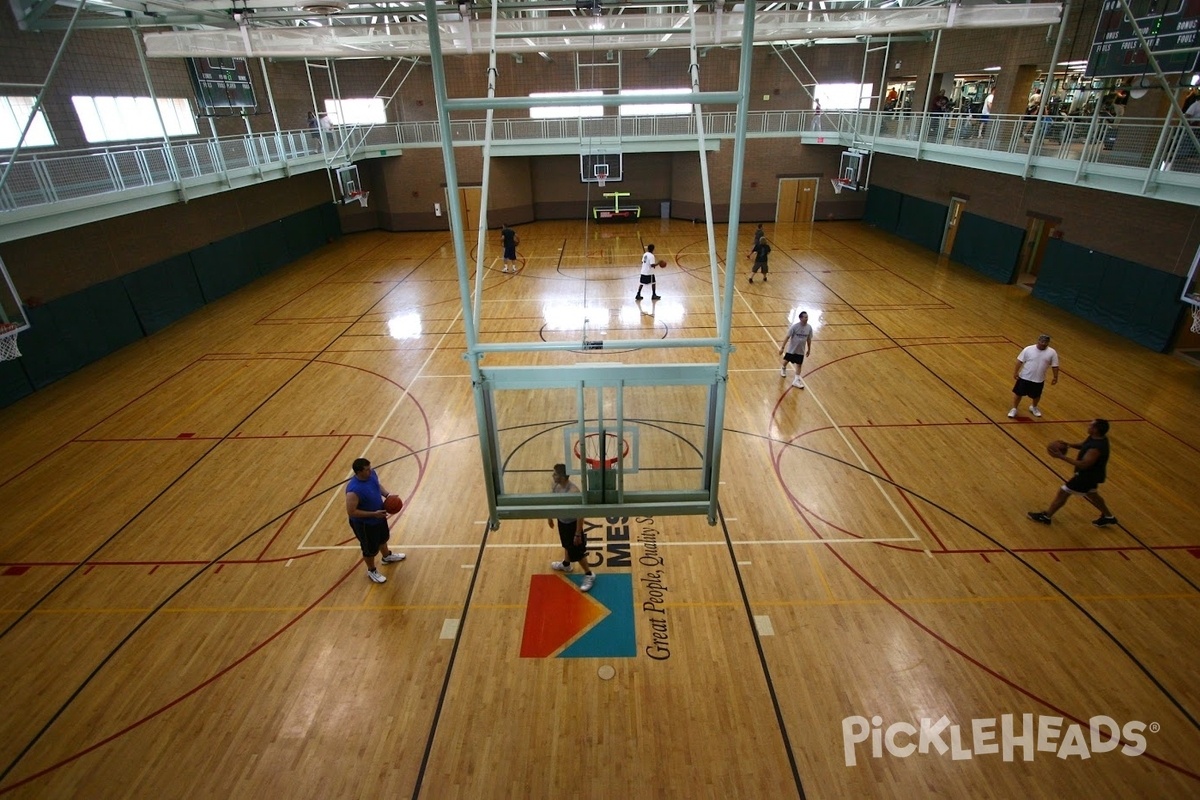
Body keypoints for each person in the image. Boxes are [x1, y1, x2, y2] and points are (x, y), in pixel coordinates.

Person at [1027, 419, 1118, 527]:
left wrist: (1062, 457)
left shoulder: (1096, 449)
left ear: (1096, 430)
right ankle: (1109, 517)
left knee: (1063, 492)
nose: (1088, 426)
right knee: (1092, 494)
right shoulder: (1097, 438)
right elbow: (1084, 445)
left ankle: (1046, 517)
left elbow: (1084, 464)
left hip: (1086, 476)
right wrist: (1069, 445)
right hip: (1093, 475)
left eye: (1091, 425)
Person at [345, 457, 406, 583]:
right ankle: (371, 570)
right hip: (365, 525)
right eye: (367, 470)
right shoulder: (353, 490)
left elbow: (377, 485)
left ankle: (386, 557)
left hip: (379, 517)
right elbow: (351, 511)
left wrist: (388, 495)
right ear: (358, 472)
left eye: (370, 468)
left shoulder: (372, 474)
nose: (370, 470)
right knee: (370, 549)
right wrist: (373, 514)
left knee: (383, 539)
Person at [548, 463, 594, 592]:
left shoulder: (574, 492)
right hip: (562, 521)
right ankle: (566, 565)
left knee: (578, 553)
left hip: (573, 525)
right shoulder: (555, 486)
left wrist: (578, 533)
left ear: (562, 476)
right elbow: (551, 502)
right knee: (566, 545)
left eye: (555, 474)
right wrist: (550, 516)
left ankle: (589, 574)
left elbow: (580, 514)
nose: (553, 476)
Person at [1008, 334, 1059, 418]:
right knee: (1018, 393)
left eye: (1045, 342)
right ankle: (1014, 408)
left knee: (1036, 395)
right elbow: (1019, 361)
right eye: (1042, 341)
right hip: (1024, 377)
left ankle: (1034, 407)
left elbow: (1055, 366)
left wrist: (1055, 377)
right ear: (1038, 341)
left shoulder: (1052, 352)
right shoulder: (1028, 349)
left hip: (1039, 379)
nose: (1043, 343)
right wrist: (1015, 372)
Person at [779, 310, 813, 389]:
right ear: (800, 318)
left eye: (807, 317)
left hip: (801, 350)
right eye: (805, 317)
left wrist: (809, 349)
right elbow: (787, 336)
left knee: (799, 365)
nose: (806, 318)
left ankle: (796, 380)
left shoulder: (809, 328)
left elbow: (809, 339)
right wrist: (782, 347)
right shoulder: (795, 327)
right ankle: (783, 368)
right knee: (787, 360)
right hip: (792, 349)